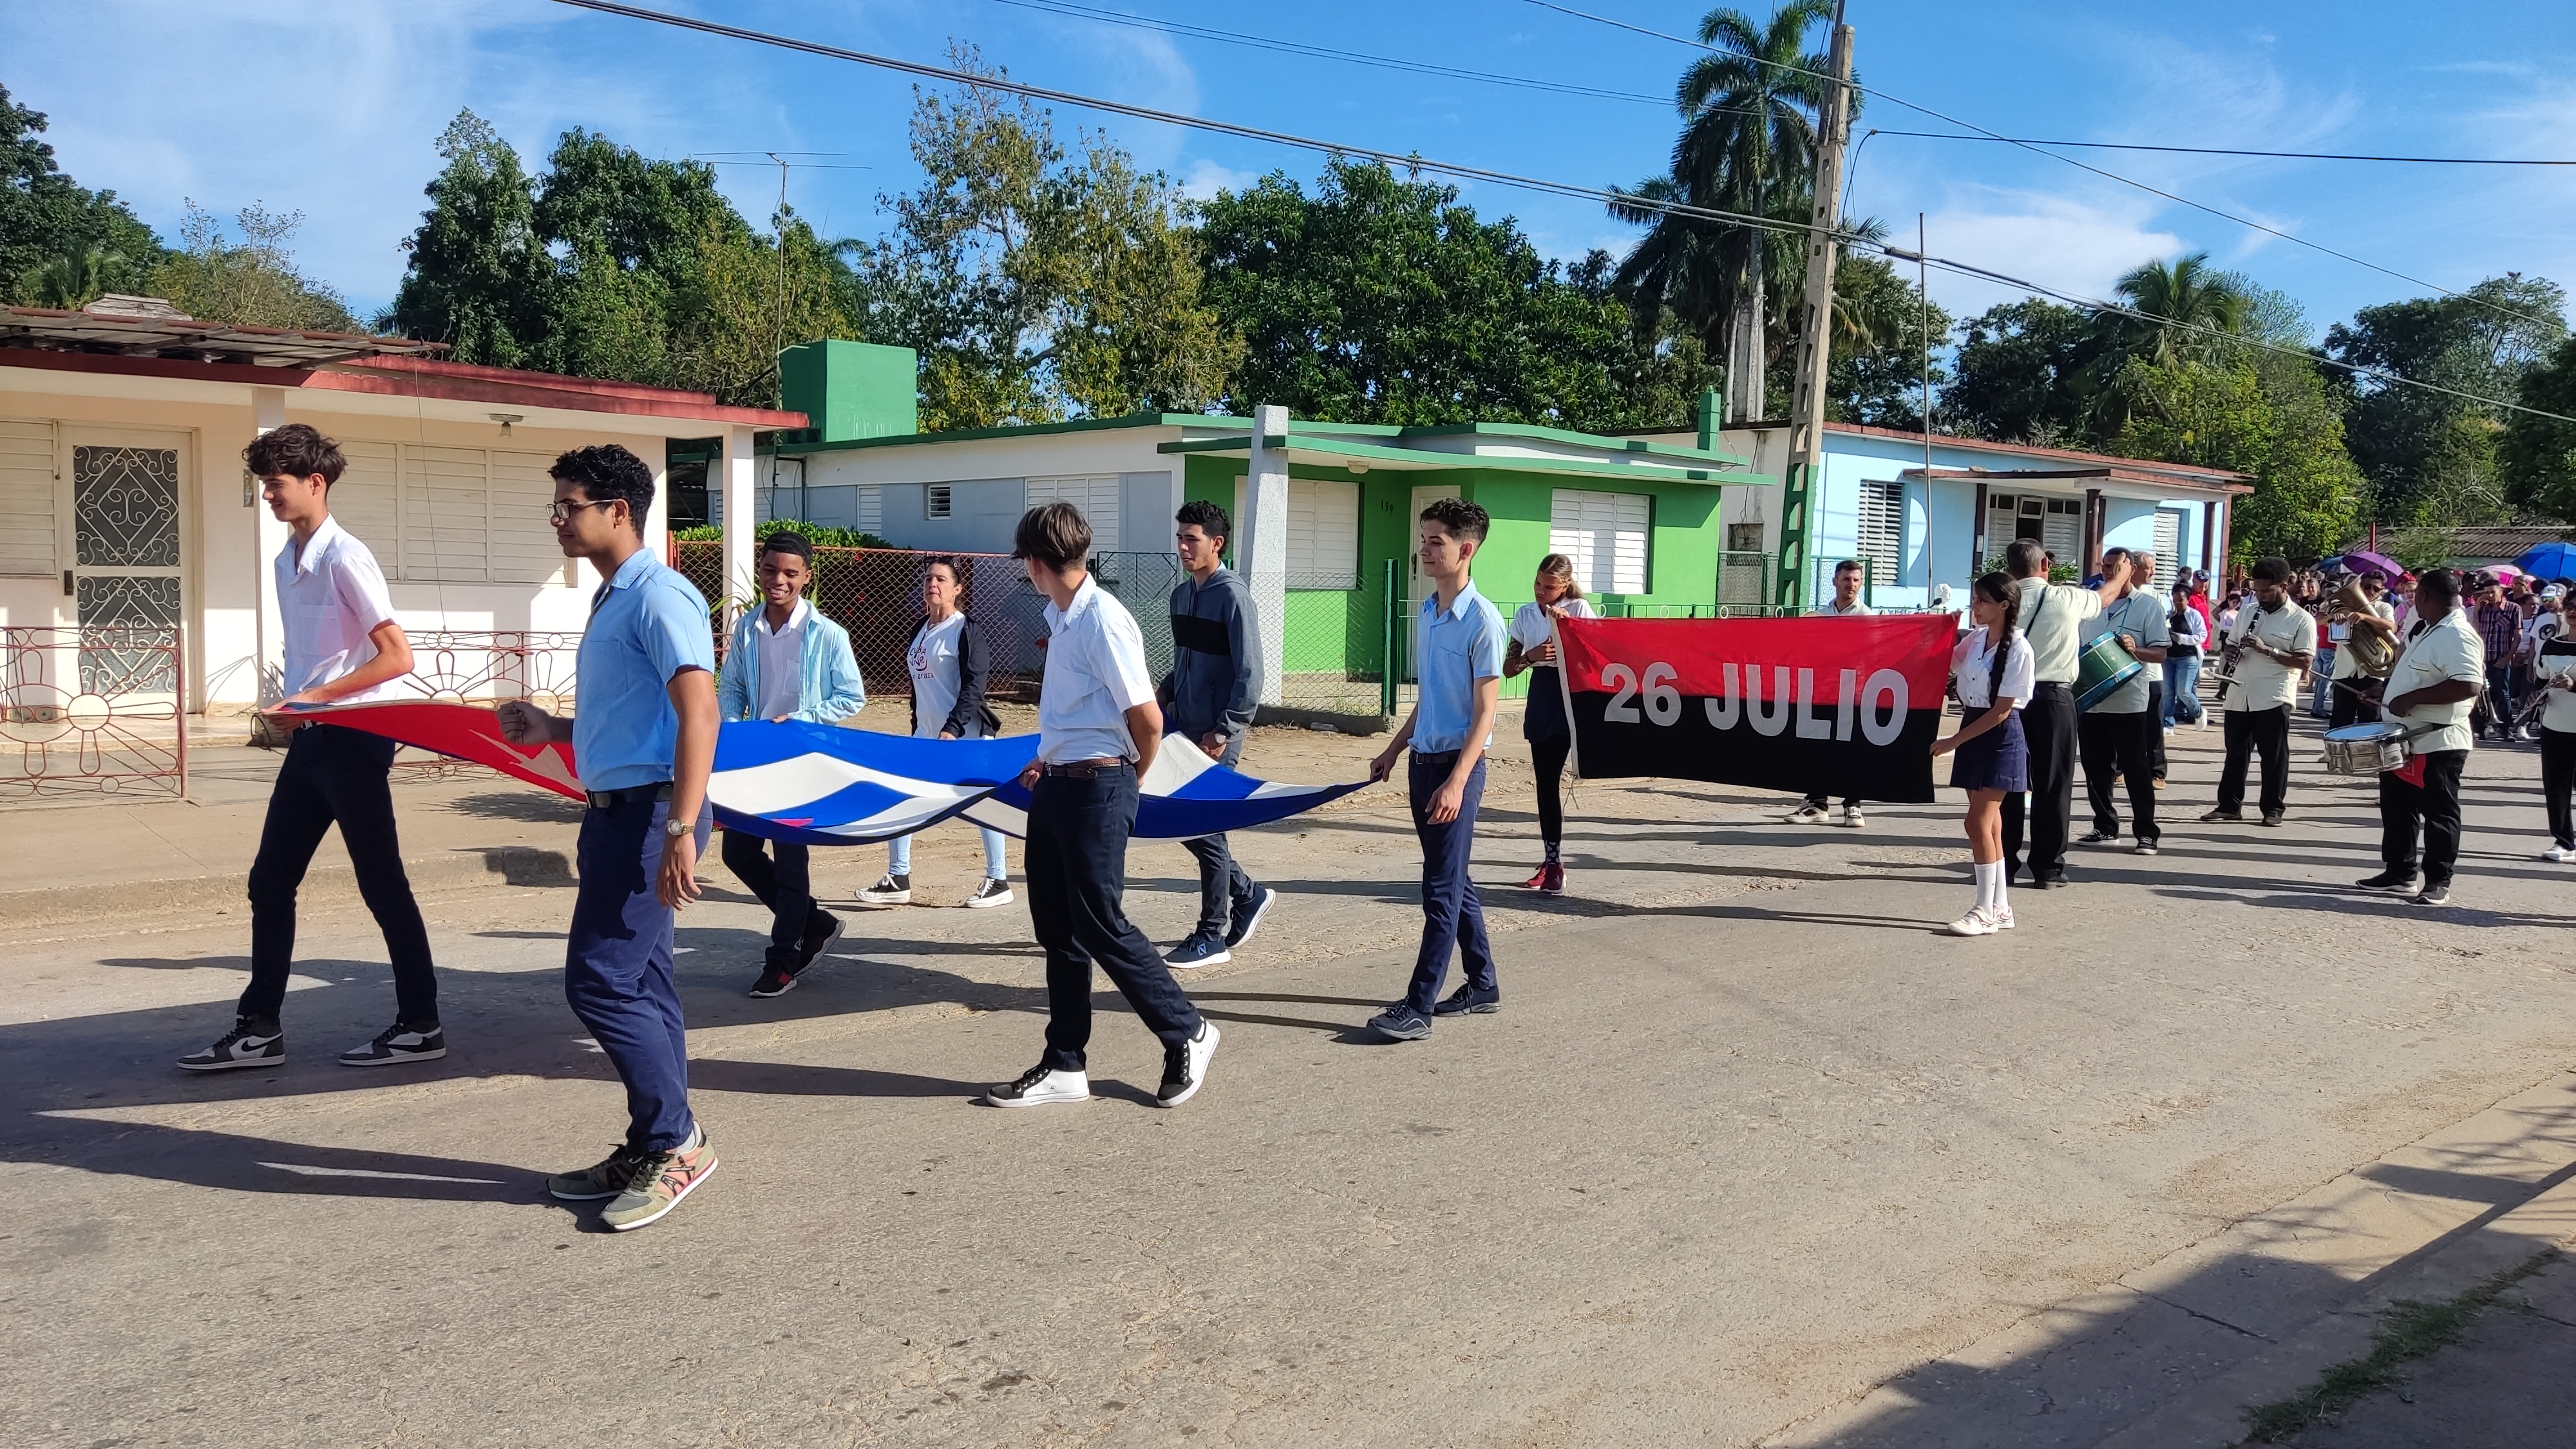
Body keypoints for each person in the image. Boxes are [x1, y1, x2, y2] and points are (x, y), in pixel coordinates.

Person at [500, 444, 719, 1232]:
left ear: (617, 511)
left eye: (570, 505)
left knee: (598, 982)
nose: (558, 519)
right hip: (613, 810)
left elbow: (700, 714)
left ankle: (676, 1141)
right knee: (645, 983)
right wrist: (552, 727)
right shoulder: (615, 597)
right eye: (556, 506)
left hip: (650, 814)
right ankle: (653, 1140)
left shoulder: (660, 596)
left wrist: (684, 828)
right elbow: (635, 719)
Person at [179, 423, 444, 1073]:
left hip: (355, 738)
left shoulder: (345, 557)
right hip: (312, 742)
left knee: (382, 885)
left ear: (315, 482)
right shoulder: (284, 561)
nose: (268, 494)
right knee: (269, 882)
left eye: (277, 483)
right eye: (264, 484)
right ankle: (259, 1029)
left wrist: (314, 700)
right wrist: (298, 705)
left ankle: (420, 1023)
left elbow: (396, 657)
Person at [982, 502, 1218, 1109]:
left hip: (1099, 787)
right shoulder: (1062, 617)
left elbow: (1147, 718)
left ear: (1036, 563)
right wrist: (1049, 757)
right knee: (1057, 930)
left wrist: (1125, 780)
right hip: (1058, 782)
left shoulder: (1101, 620)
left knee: (1099, 922)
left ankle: (1186, 1029)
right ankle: (1065, 1062)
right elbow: (1078, 714)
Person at [1365, 498, 1506, 1042]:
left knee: (1439, 889)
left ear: (1465, 549)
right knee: (1454, 878)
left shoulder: (1484, 622)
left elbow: (1486, 711)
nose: (1423, 549)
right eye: (1423, 538)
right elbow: (1431, 699)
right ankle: (1483, 982)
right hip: (1423, 765)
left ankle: (1418, 1005)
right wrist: (1395, 749)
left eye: (1435, 541)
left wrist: (1457, 780)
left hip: (1457, 770)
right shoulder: (1428, 612)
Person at [717, 530, 865, 999]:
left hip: (803, 760)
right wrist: (729, 727)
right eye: (769, 569)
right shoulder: (746, 628)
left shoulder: (828, 634)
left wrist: (801, 719)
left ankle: (783, 961)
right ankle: (815, 923)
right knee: (737, 852)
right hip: (757, 758)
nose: (777, 580)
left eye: (789, 573)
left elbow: (851, 696)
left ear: (806, 578)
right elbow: (733, 686)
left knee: (790, 859)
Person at [1159, 500, 1277, 968]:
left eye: (1192, 539)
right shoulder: (1181, 595)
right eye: (1181, 538)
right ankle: (1247, 895)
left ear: (1217, 543)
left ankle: (1211, 934)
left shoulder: (1233, 596)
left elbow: (1252, 672)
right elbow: (1184, 661)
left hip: (1217, 735)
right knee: (1183, 822)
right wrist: (1163, 694)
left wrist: (1225, 729)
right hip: (1182, 730)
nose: (1184, 547)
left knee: (1202, 825)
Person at [870, 556, 1014, 911]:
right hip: (926, 735)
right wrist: (919, 725)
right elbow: (921, 689)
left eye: (940, 580)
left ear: (957, 589)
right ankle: (897, 877)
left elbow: (974, 688)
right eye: (928, 579)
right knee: (900, 795)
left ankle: (999, 881)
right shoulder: (921, 628)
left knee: (985, 805)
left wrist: (953, 729)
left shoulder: (966, 631)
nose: (932, 584)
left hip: (963, 737)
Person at [2000, 538, 2133, 887]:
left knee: (2007, 784)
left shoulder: (2002, 600)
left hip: (2007, 699)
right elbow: (2105, 598)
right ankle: (2047, 867)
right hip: (2052, 698)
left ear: (2010, 567)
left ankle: (2002, 865)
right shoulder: (2065, 597)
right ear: (2045, 565)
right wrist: (2120, 576)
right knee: (2053, 784)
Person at [2361, 569, 2484, 907]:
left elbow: (2468, 685)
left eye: (2416, 595)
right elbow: (2413, 674)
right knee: (2398, 807)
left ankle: (2438, 881)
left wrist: (2412, 699)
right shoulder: (2426, 628)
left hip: (2439, 741)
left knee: (2439, 813)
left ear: (2424, 596)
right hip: (2405, 737)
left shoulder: (2458, 634)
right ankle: (2399, 874)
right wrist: (2386, 691)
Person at [1929, 572, 2034, 936]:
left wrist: (1952, 742)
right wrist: (1942, 627)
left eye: (1982, 600)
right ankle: (2000, 907)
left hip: (2000, 734)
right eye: (1974, 599)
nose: (1975, 605)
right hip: (1975, 726)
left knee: (1976, 823)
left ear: (2004, 604)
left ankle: (1983, 909)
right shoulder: (1975, 638)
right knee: (1991, 824)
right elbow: (1945, 662)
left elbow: (2002, 710)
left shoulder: (2019, 648)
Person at [1504, 552, 1598, 893]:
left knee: (1549, 777)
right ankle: (1550, 859)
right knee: (1543, 784)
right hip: (1540, 694)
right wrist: (1530, 656)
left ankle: (1555, 862)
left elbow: (1592, 656)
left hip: (1566, 695)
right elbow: (1509, 667)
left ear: (1564, 586)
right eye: (1537, 584)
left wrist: (1566, 629)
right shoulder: (1526, 614)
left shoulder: (1577, 610)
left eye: (1549, 586)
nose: (1540, 591)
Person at [2202, 556, 2316, 828]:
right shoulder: (2248, 610)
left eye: (2267, 591)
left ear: (2284, 586)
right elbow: (2230, 644)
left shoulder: (2302, 620)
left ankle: (2273, 808)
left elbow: (2304, 662)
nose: (2261, 596)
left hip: (2274, 694)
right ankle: (2229, 806)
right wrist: (2230, 652)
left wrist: (2268, 650)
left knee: (2273, 755)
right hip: (2240, 691)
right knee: (2235, 753)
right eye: (2257, 590)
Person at [2076, 547, 2168, 855]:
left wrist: (2135, 649)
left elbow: (2160, 653)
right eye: (2105, 566)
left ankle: (2146, 832)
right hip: (2092, 698)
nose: (2109, 572)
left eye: (2116, 566)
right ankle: (2104, 826)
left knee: (2135, 767)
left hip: (2129, 701)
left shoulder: (2147, 606)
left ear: (2130, 568)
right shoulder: (2092, 604)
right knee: (2095, 767)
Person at [1785, 558, 1873, 828]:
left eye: (1857, 579)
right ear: (1835, 581)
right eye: (1847, 579)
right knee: (1818, 746)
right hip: (1822, 692)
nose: (1852, 584)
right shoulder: (1819, 617)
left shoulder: (1868, 619)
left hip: (1855, 694)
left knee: (1853, 748)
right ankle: (1817, 804)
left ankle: (1853, 805)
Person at [2325, 572, 2398, 730]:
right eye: (2367, 587)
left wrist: (2365, 617)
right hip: (2345, 671)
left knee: (2370, 721)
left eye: (2376, 589)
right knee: (2340, 722)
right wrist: (2334, 617)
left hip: (2372, 673)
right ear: (2360, 586)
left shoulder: (2383, 607)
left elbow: (2392, 626)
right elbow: (2319, 620)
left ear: (2382, 591)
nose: (2371, 591)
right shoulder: (2344, 606)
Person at [2535, 590, 2576, 862]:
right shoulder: (2552, 645)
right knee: (2556, 785)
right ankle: (2564, 841)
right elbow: (2540, 678)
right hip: (2556, 723)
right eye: (2571, 605)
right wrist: (2540, 696)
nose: (2574, 610)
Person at [2471, 574, 2526, 742]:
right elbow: (2476, 631)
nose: (2489, 596)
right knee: (2481, 693)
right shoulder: (2484, 609)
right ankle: (2479, 729)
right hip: (2484, 658)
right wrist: (2477, 610)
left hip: (2501, 658)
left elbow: (2518, 635)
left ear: (2501, 591)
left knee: (2503, 694)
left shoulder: (2513, 608)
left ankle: (2506, 729)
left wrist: (2508, 657)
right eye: (2486, 592)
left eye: (2492, 592)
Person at [2164, 578, 2209, 733]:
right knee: (2168, 692)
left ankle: (2198, 711)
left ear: (2187, 599)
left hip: (2188, 657)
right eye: (2175, 600)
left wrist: (2182, 638)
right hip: (2169, 657)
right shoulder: (2168, 615)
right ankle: (2168, 723)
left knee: (2183, 691)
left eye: (2181, 600)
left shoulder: (2194, 615)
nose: (2177, 603)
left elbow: (2202, 636)